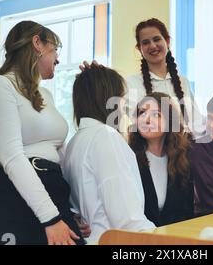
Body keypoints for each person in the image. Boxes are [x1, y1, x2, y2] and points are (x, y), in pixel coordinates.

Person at [0, 21, 84, 245]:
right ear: (37, 43)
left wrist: (71, 208)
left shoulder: (45, 95)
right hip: (9, 194)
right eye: (55, 49)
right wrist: (51, 218)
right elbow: (12, 156)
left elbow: (59, 155)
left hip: (51, 194)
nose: (58, 59)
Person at [63, 63, 155, 243]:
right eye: (121, 97)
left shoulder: (74, 142)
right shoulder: (106, 136)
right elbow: (127, 218)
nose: (124, 105)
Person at [125, 18, 205, 137]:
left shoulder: (183, 82)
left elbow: (197, 123)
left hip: (185, 152)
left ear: (167, 41)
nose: (152, 46)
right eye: (145, 42)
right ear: (139, 49)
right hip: (151, 153)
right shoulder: (131, 83)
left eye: (156, 39)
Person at [128, 92, 194, 226]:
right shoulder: (128, 158)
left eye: (156, 114)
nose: (147, 120)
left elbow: (186, 212)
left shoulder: (181, 159)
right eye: (142, 112)